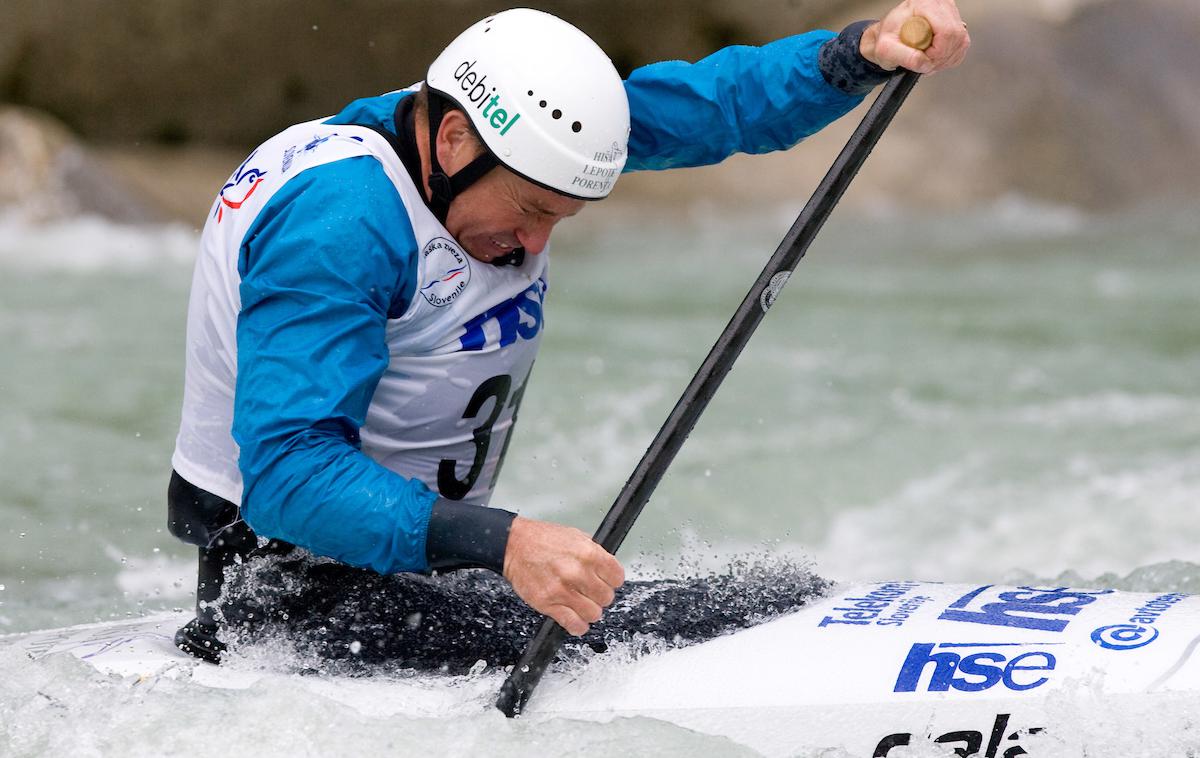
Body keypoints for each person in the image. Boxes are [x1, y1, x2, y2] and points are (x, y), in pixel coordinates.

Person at [167, 3, 969, 662]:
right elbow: (288, 477)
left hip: (421, 566)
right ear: (453, 144)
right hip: (286, 600)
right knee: (724, 618)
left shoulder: (495, 132)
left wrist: (856, 54)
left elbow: (710, 108)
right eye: (532, 212)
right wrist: (505, 542)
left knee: (764, 591)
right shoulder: (339, 226)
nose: (538, 246)